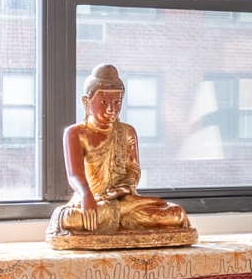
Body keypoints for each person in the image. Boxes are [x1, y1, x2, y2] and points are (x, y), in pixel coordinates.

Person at [47, 64, 197, 247]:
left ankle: (120, 217)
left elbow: (133, 169)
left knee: (176, 214)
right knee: (69, 220)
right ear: (86, 103)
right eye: (104, 102)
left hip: (123, 200)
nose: (111, 109)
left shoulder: (127, 132)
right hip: (93, 201)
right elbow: (74, 175)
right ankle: (115, 216)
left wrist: (124, 189)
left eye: (117, 102)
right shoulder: (76, 133)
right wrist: (87, 194)